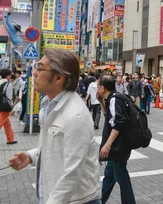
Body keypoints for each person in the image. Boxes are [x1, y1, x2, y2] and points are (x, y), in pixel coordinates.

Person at [8, 49, 101, 204]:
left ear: (59, 77)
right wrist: (30, 156)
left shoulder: (75, 115)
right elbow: (55, 147)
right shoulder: (50, 106)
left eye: (40, 68)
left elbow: (73, 172)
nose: (35, 73)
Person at [97, 74, 136, 203]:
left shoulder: (115, 99)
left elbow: (119, 122)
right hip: (119, 146)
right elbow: (109, 119)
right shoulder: (112, 98)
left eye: (98, 86)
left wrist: (107, 145)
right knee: (109, 175)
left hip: (118, 147)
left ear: (102, 88)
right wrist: (101, 103)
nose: (97, 88)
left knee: (121, 176)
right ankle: (100, 200)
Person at [0, 69, 16, 144]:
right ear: (8, 76)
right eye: (10, 75)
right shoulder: (8, 84)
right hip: (5, 106)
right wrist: (11, 106)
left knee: (7, 123)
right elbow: (9, 97)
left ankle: (10, 139)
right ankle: (10, 139)